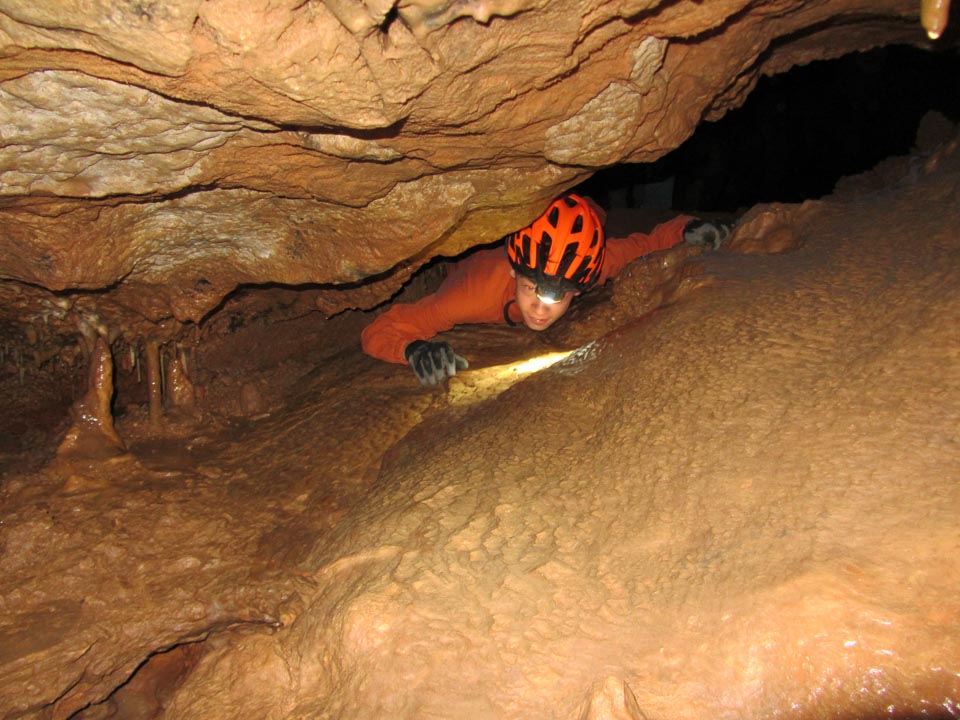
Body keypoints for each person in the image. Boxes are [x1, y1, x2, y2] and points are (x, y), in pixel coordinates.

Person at [361, 193, 730, 385]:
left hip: (579, 214)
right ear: (514, 273)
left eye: (556, 295)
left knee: (592, 214)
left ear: (579, 289)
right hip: (470, 261)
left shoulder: (589, 266)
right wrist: (412, 349)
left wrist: (688, 229)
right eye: (530, 288)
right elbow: (382, 329)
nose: (539, 308)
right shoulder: (473, 293)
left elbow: (646, 244)